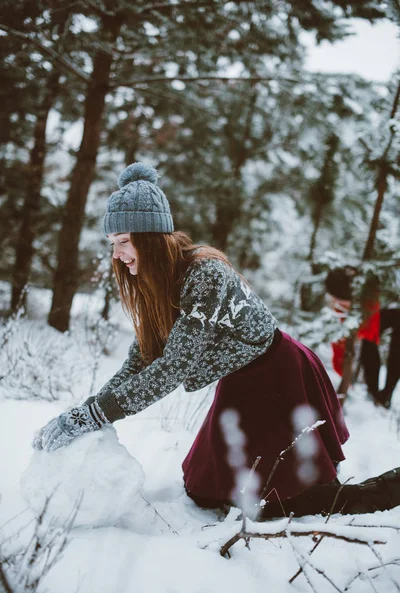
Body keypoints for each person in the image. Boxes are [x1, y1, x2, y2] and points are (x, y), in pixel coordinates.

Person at [33, 163, 400, 518]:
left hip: (277, 374)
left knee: (275, 500)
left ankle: (387, 490)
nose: (116, 254)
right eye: (113, 243)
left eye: (124, 241)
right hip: (241, 380)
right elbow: (141, 360)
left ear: (151, 239)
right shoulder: (159, 283)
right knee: (204, 491)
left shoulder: (204, 275)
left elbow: (171, 369)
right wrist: (89, 413)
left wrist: (95, 414)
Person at [325, 266, 400, 409]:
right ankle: (376, 395)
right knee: (367, 342)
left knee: (371, 339)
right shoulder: (342, 290)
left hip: (386, 307)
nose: (340, 305)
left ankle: (385, 394)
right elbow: (340, 345)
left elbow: (370, 334)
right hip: (371, 306)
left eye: (343, 303)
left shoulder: (369, 292)